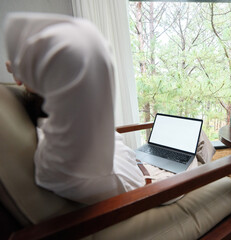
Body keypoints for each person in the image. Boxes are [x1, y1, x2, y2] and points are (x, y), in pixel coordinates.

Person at [4, 12, 145, 204]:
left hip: (142, 169)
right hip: (152, 195)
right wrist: (24, 68)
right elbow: (85, 45)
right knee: (199, 146)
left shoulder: (82, 135)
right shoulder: (66, 162)